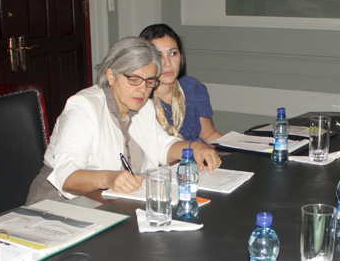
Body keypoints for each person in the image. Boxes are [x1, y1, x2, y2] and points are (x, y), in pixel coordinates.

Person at [26, 37, 221, 203]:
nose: (142, 90)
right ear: (111, 75)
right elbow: (66, 176)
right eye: (134, 79)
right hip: (62, 203)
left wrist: (194, 147)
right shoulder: (84, 106)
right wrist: (109, 178)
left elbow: (162, 147)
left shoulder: (143, 106)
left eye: (149, 81)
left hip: (114, 201)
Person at [139, 24, 223, 143]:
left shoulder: (191, 87)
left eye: (173, 53)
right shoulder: (139, 96)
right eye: (158, 56)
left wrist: (238, 150)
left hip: (196, 160)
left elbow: (209, 135)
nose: (167, 63)